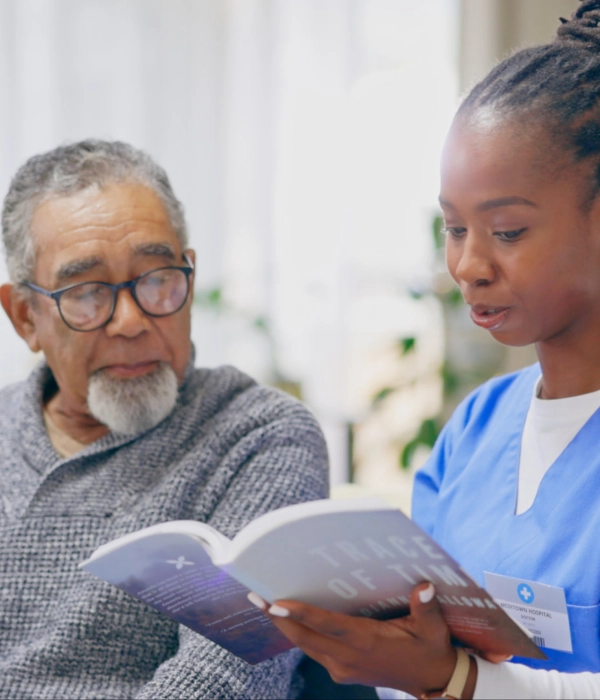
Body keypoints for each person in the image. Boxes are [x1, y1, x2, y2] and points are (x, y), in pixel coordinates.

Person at [247, 1, 600, 698]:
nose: (466, 265)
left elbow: (454, 677)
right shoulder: (474, 430)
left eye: (506, 231)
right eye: (453, 228)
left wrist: (458, 680)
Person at [0, 139, 329, 699]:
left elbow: (225, 679)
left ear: (191, 279)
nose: (130, 321)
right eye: (87, 293)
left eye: (158, 280)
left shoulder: (259, 437)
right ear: (25, 316)